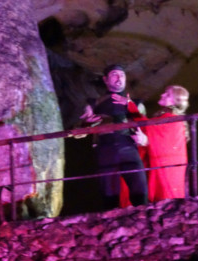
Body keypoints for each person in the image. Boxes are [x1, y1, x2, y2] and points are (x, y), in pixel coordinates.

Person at [79, 64, 148, 210]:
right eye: (114, 75)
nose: (119, 78)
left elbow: (149, 132)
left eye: (122, 75)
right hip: (106, 149)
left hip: (129, 148)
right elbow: (80, 132)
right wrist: (86, 124)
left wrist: (144, 139)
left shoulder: (136, 104)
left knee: (140, 193)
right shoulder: (93, 104)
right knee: (110, 197)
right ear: (105, 79)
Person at [118, 85, 190, 205]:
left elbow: (161, 141)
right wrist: (129, 104)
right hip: (168, 167)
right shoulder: (168, 118)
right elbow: (147, 126)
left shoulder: (173, 121)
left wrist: (146, 141)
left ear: (174, 101)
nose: (162, 95)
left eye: (167, 94)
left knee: (167, 202)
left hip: (169, 169)